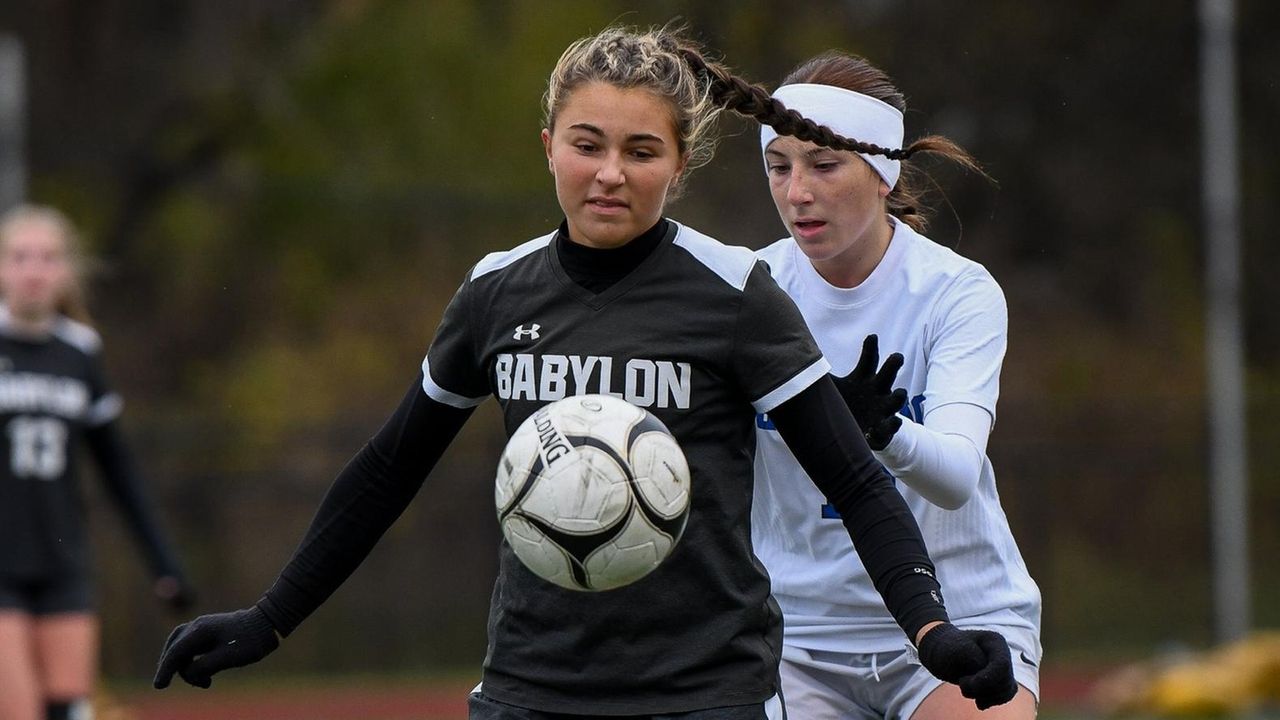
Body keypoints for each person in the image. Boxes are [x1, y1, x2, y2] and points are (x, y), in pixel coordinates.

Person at [152, 27, 1018, 718]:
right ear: (548, 146)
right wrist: (268, 620)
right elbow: (388, 470)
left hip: (704, 696)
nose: (610, 173)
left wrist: (932, 630)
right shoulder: (497, 292)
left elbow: (858, 482)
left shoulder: (737, 295)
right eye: (587, 144)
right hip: (529, 690)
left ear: (680, 167)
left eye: (642, 151)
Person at [749, 51, 1043, 719]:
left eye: (824, 165)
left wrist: (883, 430)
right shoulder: (747, 292)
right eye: (779, 166)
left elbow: (955, 475)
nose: (797, 191)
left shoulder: (956, 293)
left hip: (961, 618)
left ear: (882, 173)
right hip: (798, 641)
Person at [0, 205, 194, 720]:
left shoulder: (80, 351)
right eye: (20, 257)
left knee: (69, 710)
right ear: (2, 269)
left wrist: (164, 563)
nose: (34, 270)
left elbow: (119, 472)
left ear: (66, 271)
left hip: (61, 560)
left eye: (47, 258)